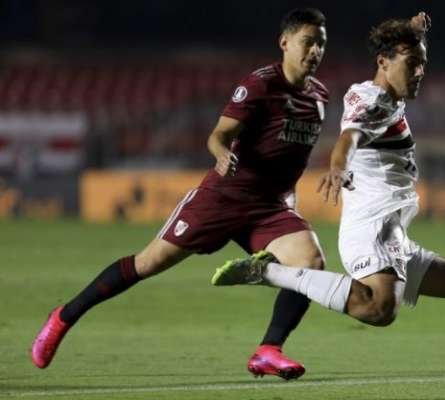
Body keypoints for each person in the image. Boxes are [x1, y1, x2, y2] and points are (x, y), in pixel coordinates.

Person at [212, 12, 445, 398]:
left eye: (422, 64)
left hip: (393, 232)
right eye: (412, 64)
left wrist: (412, 35)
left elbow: (383, 84)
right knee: (379, 310)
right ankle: (268, 274)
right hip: (373, 230)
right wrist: (338, 166)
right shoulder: (374, 99)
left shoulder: (387, 95)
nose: (419, 73)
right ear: (383, 63)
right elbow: (350, 136)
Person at [31, 7, 330, 381]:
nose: (315, 50)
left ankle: (269, 350)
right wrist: (222, 154)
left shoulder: (319, 97)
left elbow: (292, 159)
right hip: (223, 197)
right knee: (148, 263)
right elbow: (218, 135)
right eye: (308, 42)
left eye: (321, 43)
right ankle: (63, 317)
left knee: (311, 263)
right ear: (285, 42)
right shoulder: (260, 84)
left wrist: (288, 200)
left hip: (269, 207)